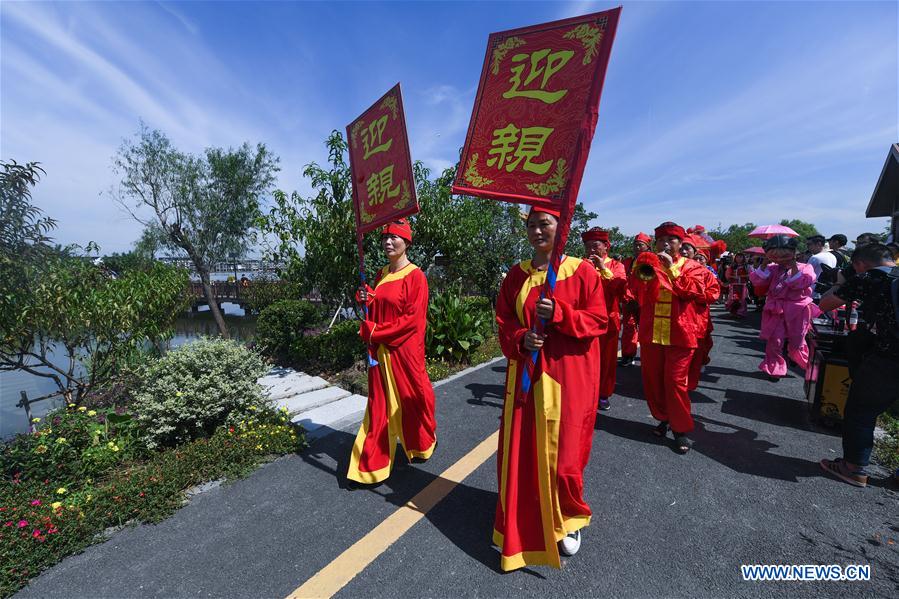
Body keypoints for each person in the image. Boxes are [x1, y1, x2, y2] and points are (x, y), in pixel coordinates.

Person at [494, 206, 607, 569]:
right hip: (526, 377)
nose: (537, 231)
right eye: (531, 225)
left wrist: (560, 314)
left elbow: (598, 320)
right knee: (523, 452)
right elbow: (504, 318)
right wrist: (521, 337)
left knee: (565, 458)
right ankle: (523, 517)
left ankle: (567, 519)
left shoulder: (581, 271)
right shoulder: (516, 275)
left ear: (562, 228)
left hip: (568, 378)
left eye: (545, 223)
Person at [347, 219, 436, 484]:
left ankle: (422, 442)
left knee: (415, 398)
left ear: (407, 241)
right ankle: (369, 466)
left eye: (394, 237)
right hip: (380, 351)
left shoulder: (416, 276)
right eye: (385, 238)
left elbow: (412, 320)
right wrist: (366, 298)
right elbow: (378, 305)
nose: (388, 242)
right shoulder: (381, 273)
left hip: (404, 351)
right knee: (379, 406)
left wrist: (374, 331)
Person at [818, 243, 899, 487]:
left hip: (889, 357)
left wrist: (842, 281)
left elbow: (825, 304)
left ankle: (853, 467)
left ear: (859, 264)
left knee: (861, 410)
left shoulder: (868, 278)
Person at [631, 222, 716, 454]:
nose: (666, 244)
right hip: (652, 333)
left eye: (672, 240)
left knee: (675, 383)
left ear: (681, 244)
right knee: (653, 380)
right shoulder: (648, 263)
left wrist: (672, 270)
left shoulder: (692, 267)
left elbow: (696, 292)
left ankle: (680, 430)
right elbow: (636, 291)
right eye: (661, 240)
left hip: (681, 334)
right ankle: (663, 418)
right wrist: (642, 273)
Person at [748, 235, 818, 380]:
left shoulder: (806, 267)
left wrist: (792, 266)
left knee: (797, 341)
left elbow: (801, 284)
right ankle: (775, 369)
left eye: (784, 255)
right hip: (776, 309)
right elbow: (758, 282)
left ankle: (803, 362)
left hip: (798, 309)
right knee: (775, 340)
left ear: (794, 252)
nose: (779, 259)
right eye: (774, 255)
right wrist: (763, 264)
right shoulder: (773, 268)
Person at [582, 227, 627, 410]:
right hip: (584, 320)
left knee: (607, 361)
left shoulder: (616, 265)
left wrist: (602, 269)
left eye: (596, 245)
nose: (591, 250)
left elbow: (621, 288)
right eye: (588, 246)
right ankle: (585, 392)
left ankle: (603, 394)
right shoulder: (581, 264)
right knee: (584, 359)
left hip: (609, 319)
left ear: (606, 246)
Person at [680, 236, 721, 391]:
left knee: (696, 351)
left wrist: (695, 295)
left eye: (688, 249)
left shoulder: (706, 273)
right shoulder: (674, 268)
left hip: (698, 319)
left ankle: (689, 383)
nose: (684, 251)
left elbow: (714, 294)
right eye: (682, 248)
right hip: (678, 319)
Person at [619, 233, 651, 366]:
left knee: (646, 330)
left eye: (640, 245)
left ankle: (648, 358)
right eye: (635, 244)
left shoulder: (653, 261)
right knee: (628, 328)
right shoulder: (627, 262)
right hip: (629, 301)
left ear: (647, 247)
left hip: (646, 302)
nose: (637, 247)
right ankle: (628, 355)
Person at [725, 253, 750, 317]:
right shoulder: (732, 266)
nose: (739, 259)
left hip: (743, 285)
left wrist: (742, 276)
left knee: (742, 299)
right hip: (734, 285)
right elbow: (727, 275)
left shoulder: (746, 266)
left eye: (740, 257)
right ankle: (733, 311)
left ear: (743, 258)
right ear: (735, 258)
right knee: (733, 298)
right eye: (737, 257)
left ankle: (740, 312)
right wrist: (732, 277)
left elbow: (751, 275)